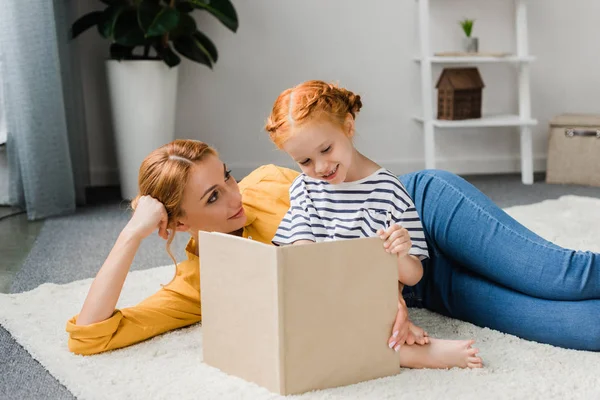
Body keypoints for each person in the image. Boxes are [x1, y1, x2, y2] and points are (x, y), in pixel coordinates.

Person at [67, 135, 600, 355]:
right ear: (179, 223)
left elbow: (360, 207)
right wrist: (131, 234)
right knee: (576, 328)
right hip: (425, 289)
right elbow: (90, 336)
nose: (236, 195)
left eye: (227, 176)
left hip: (421, 214)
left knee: (561, 277)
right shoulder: (203, 280)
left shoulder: (267, 184)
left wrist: (381, 284)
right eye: (213, 195)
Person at [266, 79, 484, 369]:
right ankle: (399, 349)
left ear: (348, 126)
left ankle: (414, 352)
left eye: (326, 149)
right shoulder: (303, 188)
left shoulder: (387, 190)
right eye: (304, 161)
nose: (319, 168)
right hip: (324, 290)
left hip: (370, 296)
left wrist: (400, 254)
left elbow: (413, 276)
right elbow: (302, 253)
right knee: (288, 319)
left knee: (333, 329)